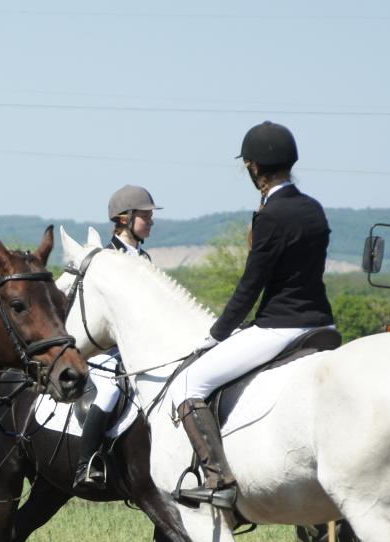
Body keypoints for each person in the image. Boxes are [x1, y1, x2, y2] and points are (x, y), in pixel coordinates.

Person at [173, 121, 335, 509]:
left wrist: (216, 334)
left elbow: (251, 285)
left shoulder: (271, 215)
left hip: (281, 326)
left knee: (190, 384)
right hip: (323, 325)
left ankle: (218, 479)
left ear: (254, 167)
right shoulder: (313, 209)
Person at [74, 185, 161, 489]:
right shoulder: (107, 259)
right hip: (107, 349)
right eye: (145, 216)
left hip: (141, 351)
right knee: (111, 389)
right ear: (125, 218)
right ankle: (87, 463)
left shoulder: (145, 258)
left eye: (151, 216)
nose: (151, 221)